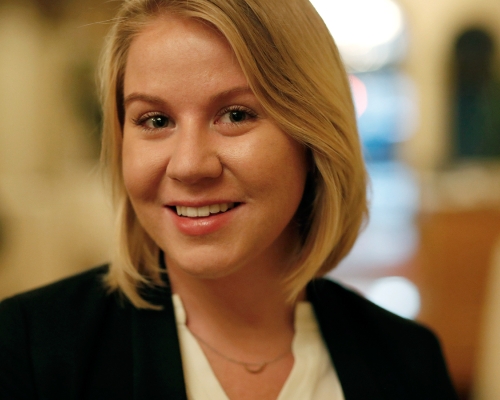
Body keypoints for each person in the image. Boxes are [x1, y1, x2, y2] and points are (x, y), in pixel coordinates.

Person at [0, 0, 459, 399]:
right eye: (156, 120)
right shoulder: (30, 349)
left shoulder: (408, 361)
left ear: (313, 136)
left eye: (235, 115)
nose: (189, 165)